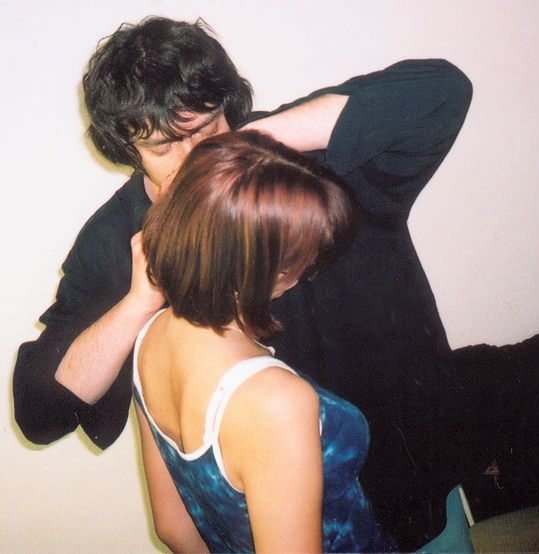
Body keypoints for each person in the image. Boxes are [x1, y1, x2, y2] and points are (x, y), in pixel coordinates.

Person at [12, 16, 539, 550]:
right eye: (163, 147)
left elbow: (444, 92)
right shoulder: (115, 239)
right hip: (270, 521)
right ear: (127, 149)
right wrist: (139, 302)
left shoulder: (304, 161)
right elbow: (41, 412)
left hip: (413, 477)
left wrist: (252, 145)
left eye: (205, 131)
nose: (194, 159)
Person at [133, 130, 397, 553]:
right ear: (261, 269)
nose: (308, 268)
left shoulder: (149, 339)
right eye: (301, 257)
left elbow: (173, 528)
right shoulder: (276, 401)